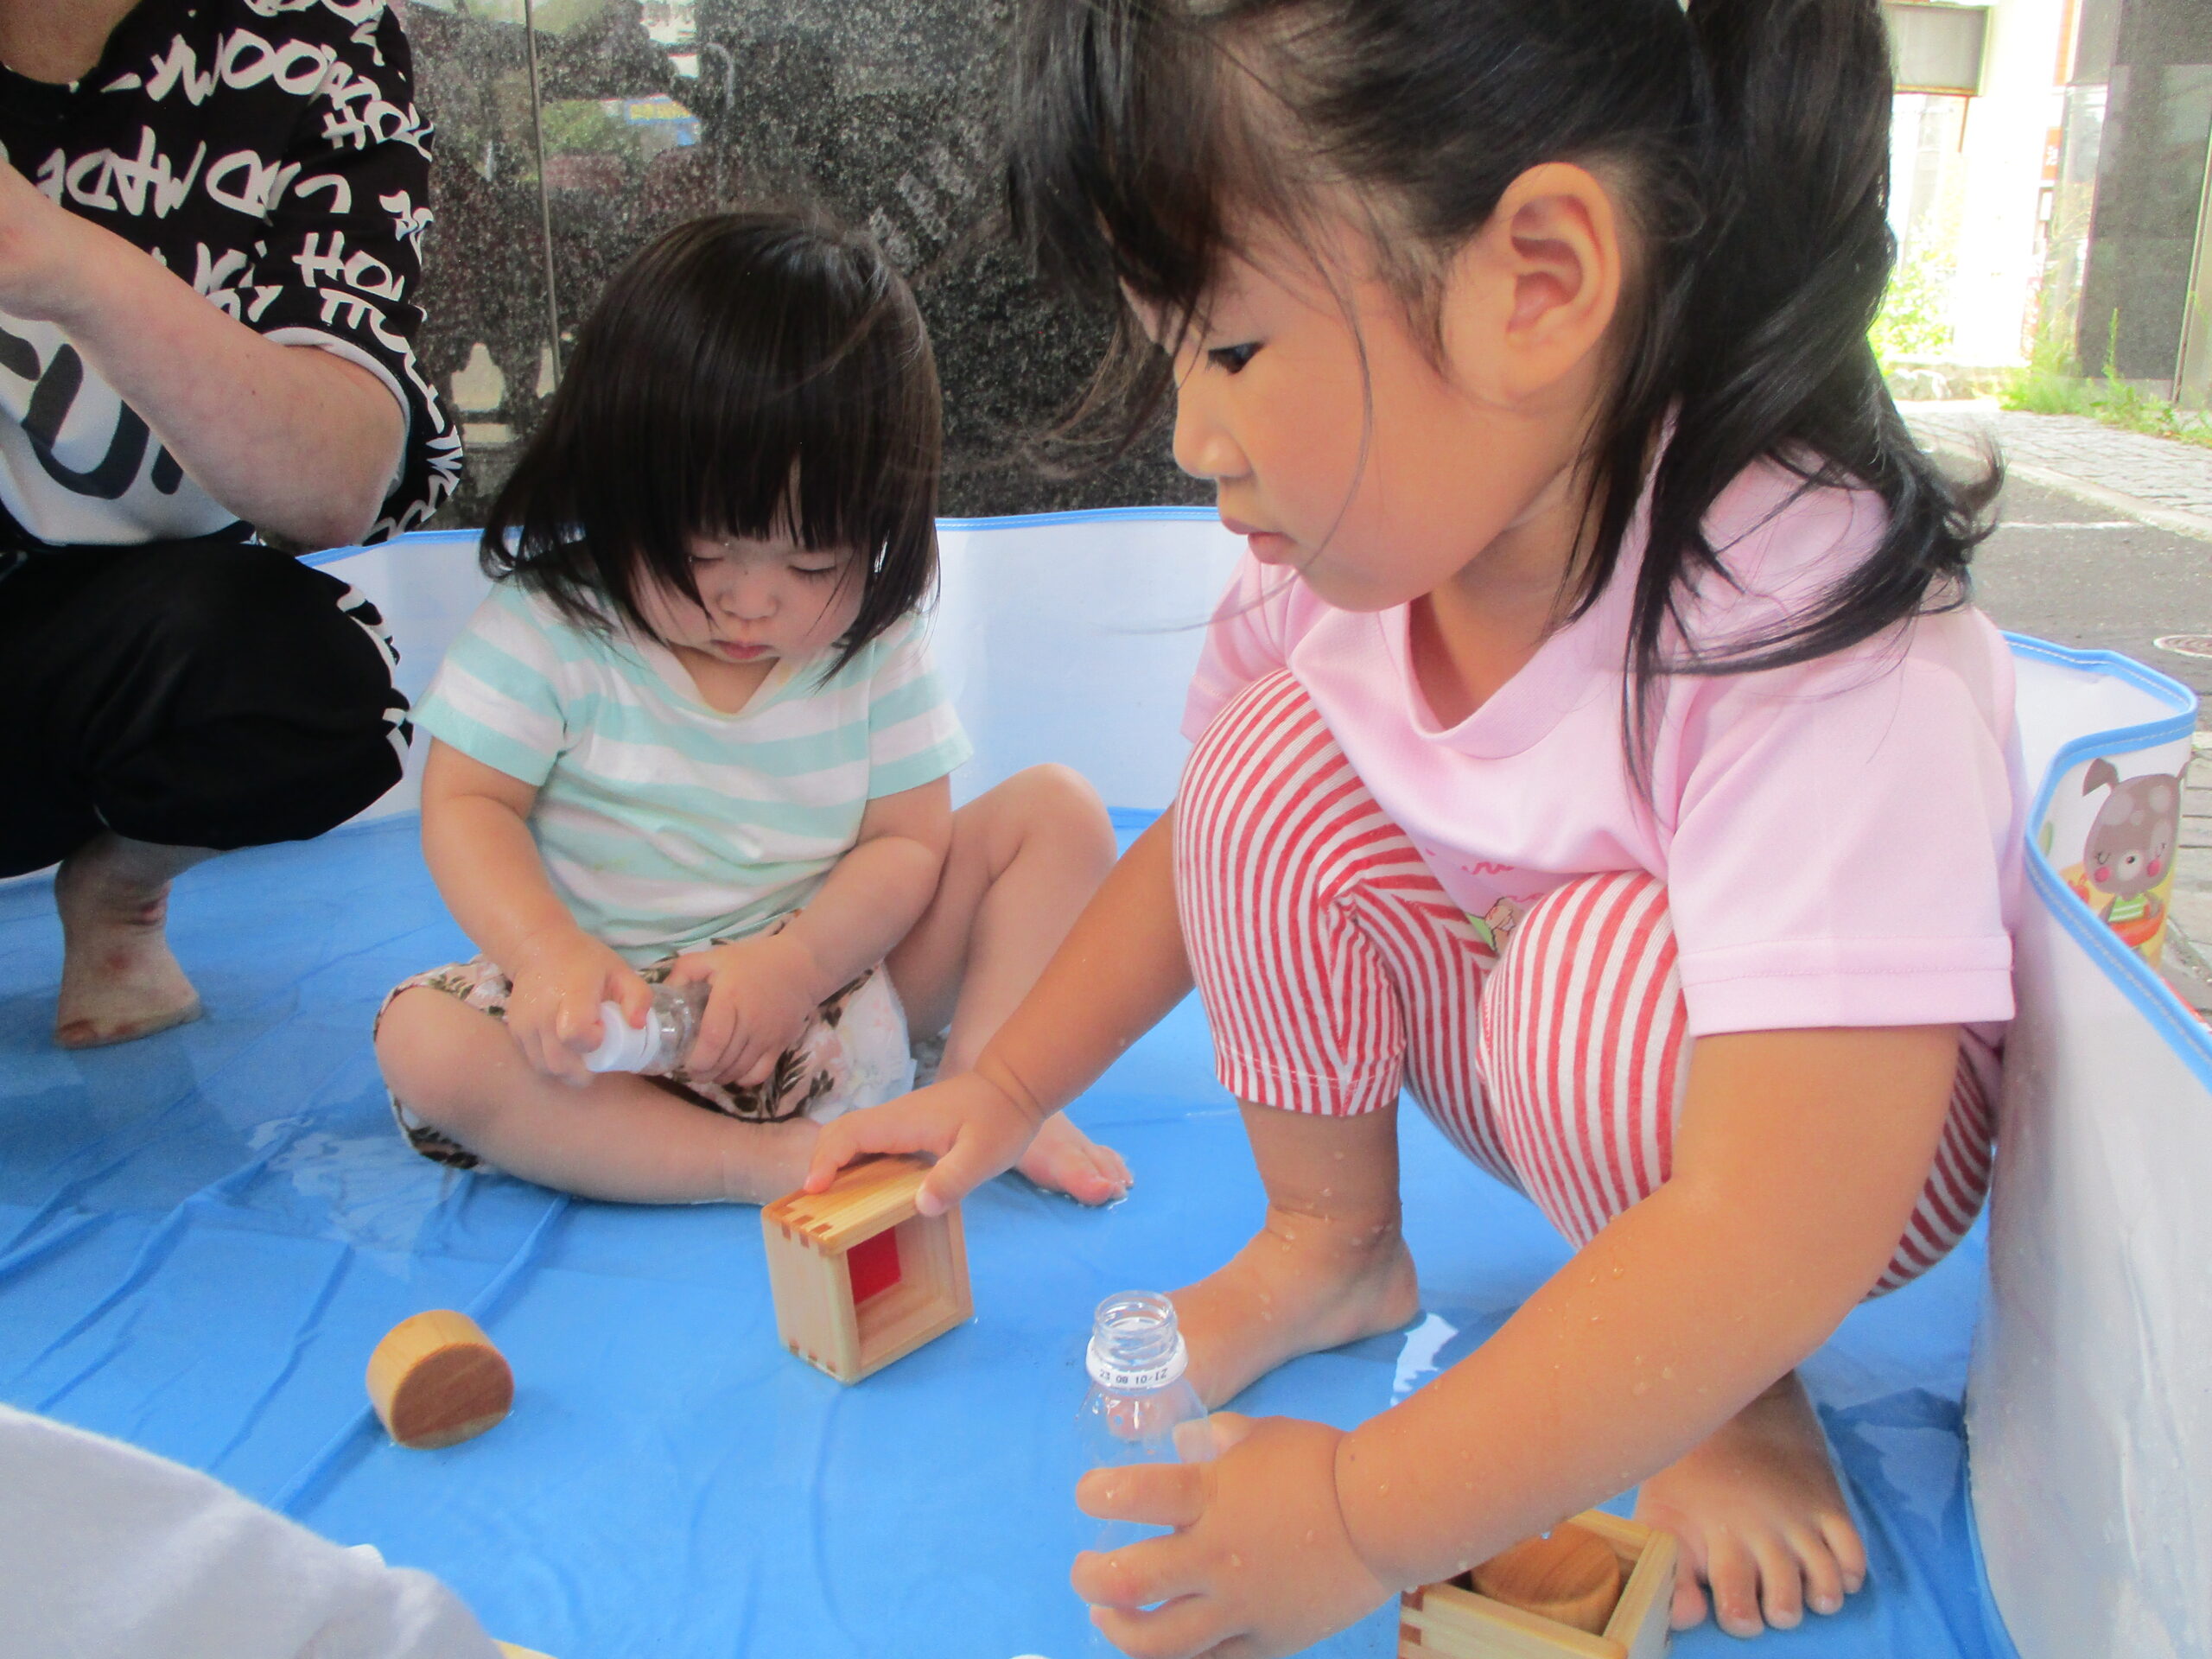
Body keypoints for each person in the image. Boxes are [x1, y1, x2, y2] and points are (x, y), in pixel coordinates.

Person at [805, 0, 2016, 1649]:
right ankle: (1332, 1243)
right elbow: (1203, 853)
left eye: (1226, 349)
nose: (1190, 437)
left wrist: (1360, 1516)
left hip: (1824, 1139)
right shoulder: (1346, 562)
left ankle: (1730, 1393)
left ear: (1535, 286)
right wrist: (1000, 1088)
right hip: (1543, 1030)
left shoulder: (1798, 617)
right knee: (1262, 762)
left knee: (1592, 984)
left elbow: (1783, 1211)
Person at [373, 213, 1129, 1208]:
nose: (750, 600)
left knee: (1058, 814)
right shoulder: (550, 628)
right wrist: (547, 954)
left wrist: (797, 962)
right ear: (615, 486)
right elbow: (469, 805)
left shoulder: (870, 646)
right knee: (422, 1043)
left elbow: (907, 844)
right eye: (701, 551)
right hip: (615, 1027)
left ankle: (990, 1091)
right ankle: (756, 1165)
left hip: (829, 996)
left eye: (812, 561)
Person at [0, 0, 458, 1048]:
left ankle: (123, 890)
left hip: (96, 645)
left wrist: (59, 258)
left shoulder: (311, 31)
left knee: (309, 682)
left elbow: (335, 477)